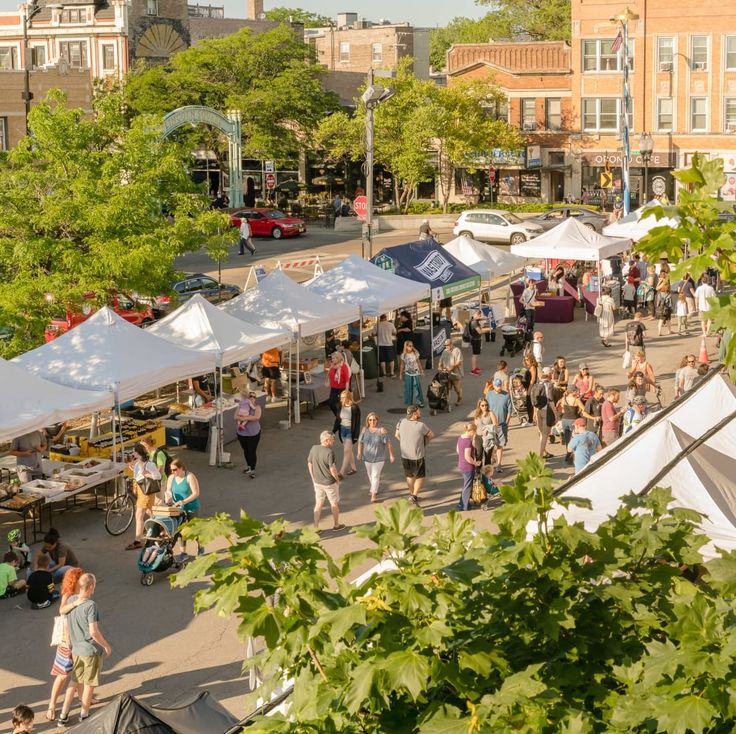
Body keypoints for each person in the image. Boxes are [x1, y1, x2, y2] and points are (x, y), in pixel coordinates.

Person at [56, 573, 112, 727]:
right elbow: (93, 631)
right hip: (89, 651)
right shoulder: (91, 605)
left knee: (73, 683)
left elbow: (62, 611)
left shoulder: (72, 600)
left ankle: (63, 716)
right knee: (88, 685)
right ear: (91, 587)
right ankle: (84, 716)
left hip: (76, 650)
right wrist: (106, 645)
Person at [46, 567, 83, 722]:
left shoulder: (78, 594)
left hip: (77, 639)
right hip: (68, 642)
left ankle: (82, 698)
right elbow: (63, 613)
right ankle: (52, 705)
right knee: (62, 675)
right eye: (81, 578)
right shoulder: (69, 595)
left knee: (80, 673)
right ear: (75, 580)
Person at [124, 443, 161, 551]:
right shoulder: (138, 463)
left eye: (133, 451)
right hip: (141, 490)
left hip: (147, 491)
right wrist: (132, 469)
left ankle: (137, 540)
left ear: (138, 452)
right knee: (150, 512)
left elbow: (157, 476)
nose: (132, 453)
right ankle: (162, 525)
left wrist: (147, 474)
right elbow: (138, 475)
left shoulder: (149, 464)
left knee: (139, 514)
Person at [395, 405, 434, 506]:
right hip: (417, 456)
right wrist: (424, 443)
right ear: (414, 414)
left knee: (409, 476)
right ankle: (415, 496)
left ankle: (412, 494)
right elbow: (431, 434)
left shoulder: (401, 421)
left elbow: (396, 435)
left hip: (405, 455)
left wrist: (404, 442)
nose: (420, 412)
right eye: (419, 411)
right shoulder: (420, 425)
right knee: (420, 476)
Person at [165, 459, 203, 561]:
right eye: (171, 470)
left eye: (175, 469)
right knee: (181, 530)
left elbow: (196, 493)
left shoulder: (189, 476)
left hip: (191, 507)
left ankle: (200, 546)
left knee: (194, 529)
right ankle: (183, 552)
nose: (173, 472)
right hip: (178, 508)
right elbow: (168, 490)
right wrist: (168, 498)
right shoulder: (171, 477)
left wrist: (184, 502)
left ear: (181, 468)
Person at [307, 431, 344, 531]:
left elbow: (309, 464)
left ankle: (315, 527)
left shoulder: (314, 448)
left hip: (317, 482)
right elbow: (332, 469)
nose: (333, 442)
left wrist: (313, 477)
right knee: (334, 503)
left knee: (318, 504)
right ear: (327, 440)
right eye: (332, 439)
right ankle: (336, 525)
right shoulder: (329, 452)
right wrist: (337, 479)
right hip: (329, 483)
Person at [357, 413, 394, 503]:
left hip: (379, 458)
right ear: (367, 421)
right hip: (367, 458)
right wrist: (359, 453)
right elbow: (360, 442)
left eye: (374, 420)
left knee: (375, 476)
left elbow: (389, 443)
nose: (372, 422)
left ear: (377, 421)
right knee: (370, 475)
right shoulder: (364, 430)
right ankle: (373, 488)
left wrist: (391, 455)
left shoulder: (381, 430)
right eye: (370, 420)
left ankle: (373, 494)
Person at [485, 379, 513, 473]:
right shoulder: (489, 395)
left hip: (502, 425)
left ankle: (499, 464)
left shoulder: (506, 395)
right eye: (497, 386)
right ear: (493, 385)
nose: (499, 387)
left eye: (500, 385)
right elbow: (485, 408)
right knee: (491, 445)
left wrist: (507, 422)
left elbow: (509, 410)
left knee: (500, 445)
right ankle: (492, 460)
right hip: (491, 426)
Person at [556, 385, 591, 462]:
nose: (577, 392)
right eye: (575, 391)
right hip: (573, 420)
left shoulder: (563, 399)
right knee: (575, 438)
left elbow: (561, 408)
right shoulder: (576, 400)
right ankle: (574, 455)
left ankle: (568, 454)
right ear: (572, 392)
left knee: (567, 439)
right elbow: (584, 409)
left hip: (565, 420)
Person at [530, 367, 557, 459]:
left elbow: (535, 399)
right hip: (546, 411)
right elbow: (551, 401)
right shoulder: (549, 385)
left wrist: (534, 412)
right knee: (545, 434)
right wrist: (556, 414)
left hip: (538, 410)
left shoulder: (538, 383)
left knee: (541, 433)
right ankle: (540, 455)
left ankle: (544, 451)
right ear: (549, 374)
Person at [332, 390, 361, 477]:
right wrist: (333, 431)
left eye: (343, 398)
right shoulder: (340, 407)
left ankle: (341, 473)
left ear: (348, 398)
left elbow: (357, 423)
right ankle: (354, 468)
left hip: (350, 431)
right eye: (340, 398)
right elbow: (337, 420)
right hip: (342, 430)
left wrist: (356, 436)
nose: (341, 400)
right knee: (349, 451)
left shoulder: (355, 408)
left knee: (346, 451)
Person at [235, 389, 262, 479]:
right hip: (242, 433)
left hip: (253, 433)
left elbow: (257, 417)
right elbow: (235, 416)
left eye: (254, 397)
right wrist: (249, 417)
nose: (252, 398)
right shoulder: (242, 405)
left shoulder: (257, 407)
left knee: (251, 451)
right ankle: (248, 466)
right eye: (251, 396)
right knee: (245, 450)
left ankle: (252, 469)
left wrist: (245, 418)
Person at [456, 424, 481, 511]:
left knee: (465, 485)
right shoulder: (467, 441)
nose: (474, 433)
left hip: (461, 465)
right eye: (474, 431)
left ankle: (461, 503)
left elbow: (458, 450)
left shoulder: (460, 438)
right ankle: (464, 506)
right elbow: (468, 457)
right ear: (471, 431)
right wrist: (475, 463)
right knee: (468, 486)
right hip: (468, 467)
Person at [473, 398, 498, 467]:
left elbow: (496, 424)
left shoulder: (490, 413)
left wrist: (488, 428)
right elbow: (475, 427)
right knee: (478, 456)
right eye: (482, 405)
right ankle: (478, 473)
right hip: (479, 437)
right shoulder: (477, 414)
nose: (485, 407)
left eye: (486, 405)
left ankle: (487, 475)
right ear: (479, 406)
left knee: (487, 457)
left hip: (488, 438)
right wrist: (473, 438)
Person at [438, 338, 463, 404]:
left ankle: (459, 398)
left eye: (447, 345)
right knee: (447, 388)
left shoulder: (457, 350)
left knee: (457, 389)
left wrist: (451, 367)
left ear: (451, 344)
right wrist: (439, 366)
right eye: (445, 345)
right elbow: (441, 361)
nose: (446, 346)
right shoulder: (444, 351)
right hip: (446, 373)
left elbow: (459, 361)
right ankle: (447, 402)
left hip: (455, 373)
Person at [399, 340, 424, 407]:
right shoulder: (403, 355)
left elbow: (418, 362)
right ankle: (409, 402)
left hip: (416, 373)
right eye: (410, 346)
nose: (411, 347)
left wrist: (421, 371)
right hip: (408, 373)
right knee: (408, 388)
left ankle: (420, 401)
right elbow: (402, 365)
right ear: (406, 346)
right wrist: (400, 374)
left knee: (417, 387)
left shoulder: (415, 353)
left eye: (412, 345)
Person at [326, 351, 351, 416]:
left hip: (342, 388)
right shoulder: (332, 366)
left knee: (342, 404)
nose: (332, 360)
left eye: (333, 358)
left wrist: (346, 391)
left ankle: (343, 418)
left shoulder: (344, 366)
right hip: (334, 388)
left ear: (338, 358)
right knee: (331, 402)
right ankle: (338, 415)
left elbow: (347, 380)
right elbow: (329, 375)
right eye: (332, 358)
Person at [376, 314, 397, 379]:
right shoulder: (390, 324)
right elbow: (395, 333)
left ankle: (384, 373)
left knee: (382, 360)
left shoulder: (377, 325)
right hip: (389, 344)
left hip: (380, 344)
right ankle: (392, 373)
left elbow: (374, 334)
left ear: (380, 318)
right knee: (391, 359)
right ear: (386, 318)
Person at [655, 266, 673, 336]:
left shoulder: (662, 284)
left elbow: (656, 288)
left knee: (661, 318)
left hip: (661, 305)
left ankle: (659, 332)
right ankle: (669, 331)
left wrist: (659, 281)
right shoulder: (668, 285)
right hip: (667, 305)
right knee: (668, 318)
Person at [467, 310, 484, 374]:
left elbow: (481, 318)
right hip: (475, 340)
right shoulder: (474, 322)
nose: (480, 316)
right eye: (479, 315)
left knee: (476, 354)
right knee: (475, 355)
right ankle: (473, 370)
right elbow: (479, 331)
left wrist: (484, 318)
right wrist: (487, 330)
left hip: (475, 339)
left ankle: (475, 367)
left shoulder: (473, 320)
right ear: (476, 315)